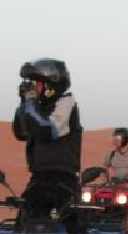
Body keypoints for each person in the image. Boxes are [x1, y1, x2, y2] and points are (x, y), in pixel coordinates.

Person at [11, 58, 82, 219]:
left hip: (64, 180)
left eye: (36, 83)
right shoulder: (37, 110)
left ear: (50, 85)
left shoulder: (67, 103)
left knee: (72, 230)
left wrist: (30, 104)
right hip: (39, 178)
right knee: (25, 224)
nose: (33, 88)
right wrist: (24, 104)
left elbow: (47, 130)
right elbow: (21, 133)